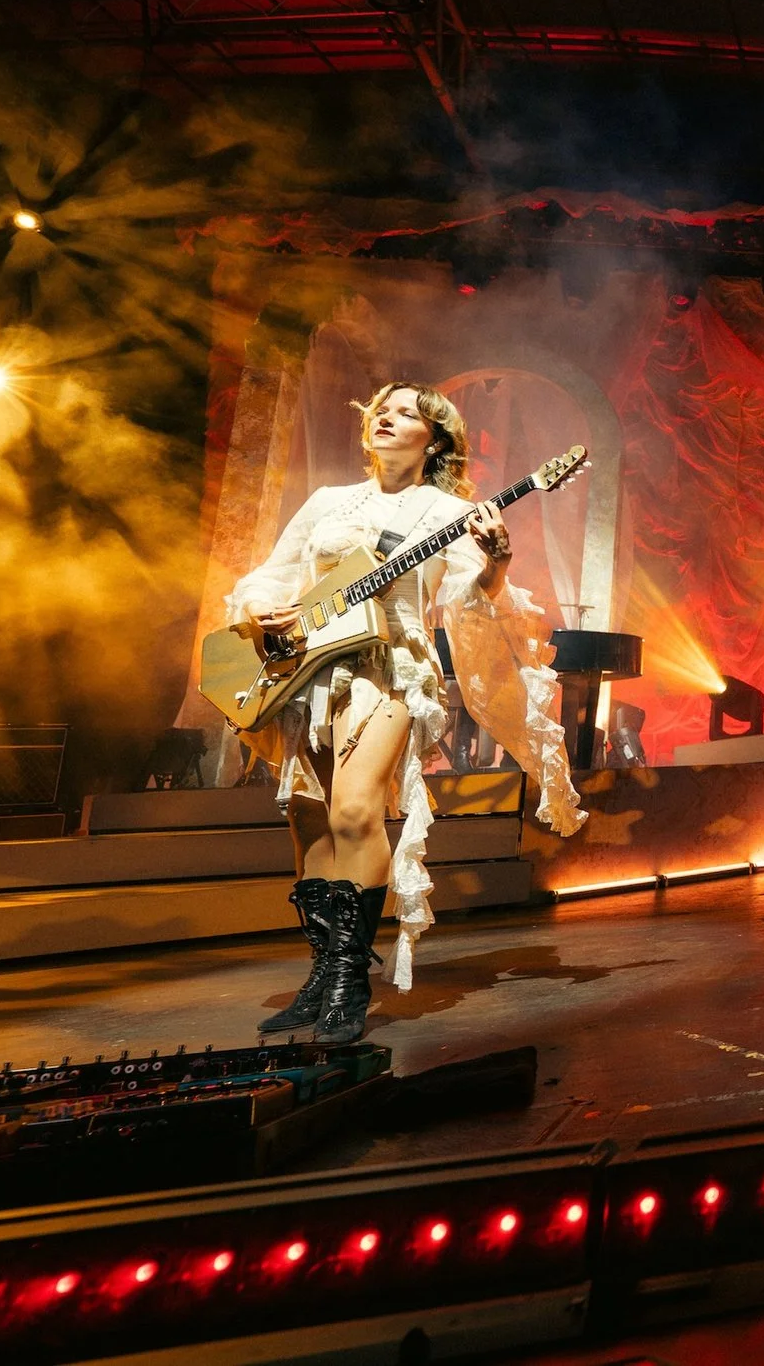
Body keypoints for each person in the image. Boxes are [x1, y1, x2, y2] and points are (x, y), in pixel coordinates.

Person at [224, 383, 584, 1044]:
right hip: (308, 667)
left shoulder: (449, 511)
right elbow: (272, 575)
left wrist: (495, 568)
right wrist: (259, 610)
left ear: (436, 436)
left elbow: (470, 603)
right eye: (380, 410)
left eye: (405, 412)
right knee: (310, 816)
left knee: (356, 810)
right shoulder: (328, 502)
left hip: (391, 669)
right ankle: (322, 971)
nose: (385, 417)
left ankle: (348, 980)